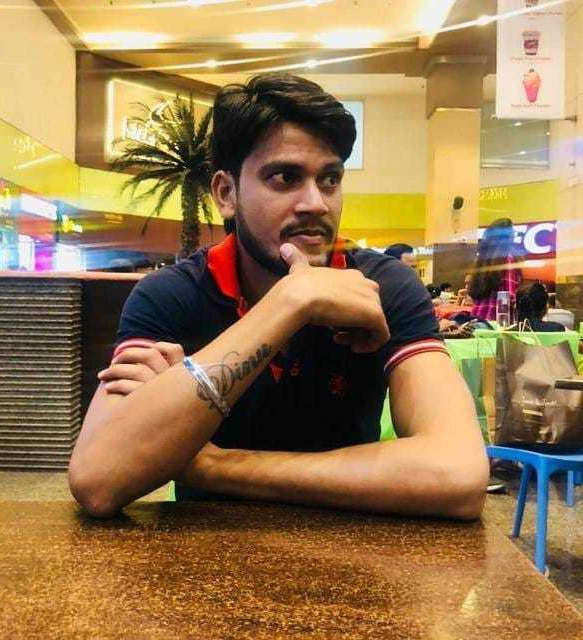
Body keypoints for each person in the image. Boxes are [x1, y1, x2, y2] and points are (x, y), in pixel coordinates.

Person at [68, 73, 488, 519]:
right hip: (202, 554)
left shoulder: (384, 287)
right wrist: (290, 303)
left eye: (330, 179)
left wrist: (210, 464)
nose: (317, 203)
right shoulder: (170, 296)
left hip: (353, 552)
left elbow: (457, 474)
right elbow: (97, 481)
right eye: (285, 178)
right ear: (226, 193)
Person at [469, 218, 522, 322]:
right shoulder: (507, 259)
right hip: (496, 322)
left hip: (477, 318)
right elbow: (508, 296)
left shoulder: (482, 260)